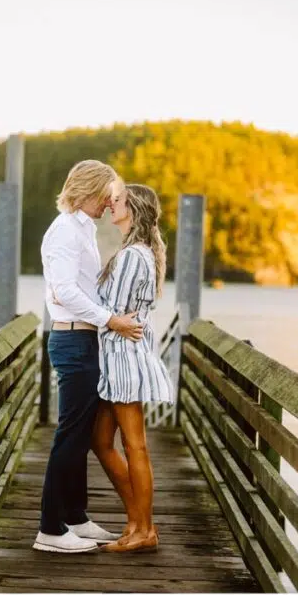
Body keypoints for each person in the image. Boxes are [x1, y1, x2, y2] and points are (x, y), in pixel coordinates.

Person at [34, 161, 144, 554]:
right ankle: (49, 528)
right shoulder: (64, 231)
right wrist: (111, 320)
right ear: (88, 190)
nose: (109, 203)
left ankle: (75, 516)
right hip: (72, 340)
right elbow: (64, 291)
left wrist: (113, 314)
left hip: (85, 340)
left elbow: (86, 289)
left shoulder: (83, 228)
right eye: (106, 195)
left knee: (80, 435)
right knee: (70, 434)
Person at [90, 182, 174, 554]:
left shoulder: (131, 257)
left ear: (134, 210)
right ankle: (138, 522)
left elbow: (116, 315)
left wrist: (81, 305)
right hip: (120, 355)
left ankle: (144, 529)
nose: (111, 204)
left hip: (123, 356)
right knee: (100, 441)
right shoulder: (139, 253)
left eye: (118, 201)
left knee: (134, 445)